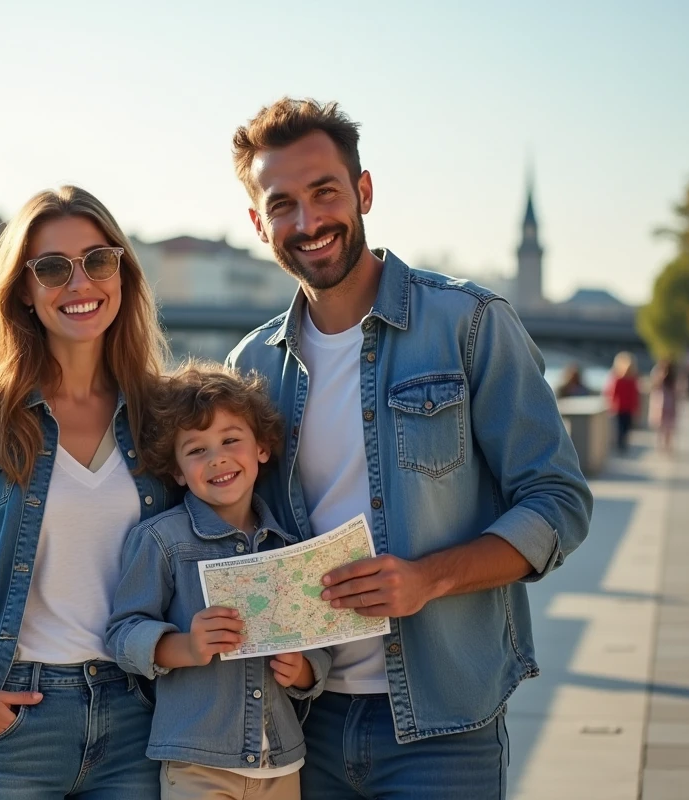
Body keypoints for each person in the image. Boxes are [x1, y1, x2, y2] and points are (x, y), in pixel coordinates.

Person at [224, 98, 593, 799]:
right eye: (282, 204)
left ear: (363, 191)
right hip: (304, 721)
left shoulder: (470, 324)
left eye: (325, 192)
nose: (308, 223)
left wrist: (429, 578)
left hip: (445, 726)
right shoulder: (252, 367)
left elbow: (558, 502)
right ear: (257, 222)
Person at [0, 185, 174, 799]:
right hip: (10, 720)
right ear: (23, 288)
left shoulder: (162, 415)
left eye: (98, 260)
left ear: (122, 271)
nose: (80, 283)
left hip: (138, 719)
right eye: (52, 268)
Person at [107, 362, 331, 800]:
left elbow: (319, 641)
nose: (218, 459)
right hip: (197, 761)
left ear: (262, 449)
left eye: (231, 440)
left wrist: (304, 670)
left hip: (282, 761)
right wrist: (187, 646)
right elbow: (122, 635)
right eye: (196, 450)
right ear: (176, 470)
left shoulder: (287, 547)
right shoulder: (160, 541)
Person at [603, 352, 641, 454]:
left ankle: (621, 445)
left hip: (623, 408)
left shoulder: (623, 380)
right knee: (623, 428)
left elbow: (611, 394)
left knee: (624, 428)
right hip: (622, 408)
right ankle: (621, 445)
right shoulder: (629, 380)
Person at [648, 358, 679, 453]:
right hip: (661, 403)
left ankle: (666, 446)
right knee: (662, 426)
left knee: (667, 427)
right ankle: (662, 446)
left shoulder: (672, 378)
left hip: (666, 403)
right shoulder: (659, 375)